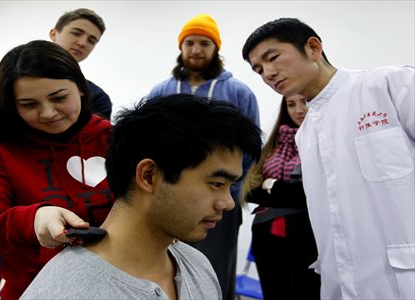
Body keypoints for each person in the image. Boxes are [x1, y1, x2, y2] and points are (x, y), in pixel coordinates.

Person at [21, 94, 262, 300]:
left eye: (230, 186)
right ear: (148, 176)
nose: (228, 203)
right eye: (216, 184)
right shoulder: (65, 291)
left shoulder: (198, 266)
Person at [242, 17, 414, 299]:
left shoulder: (387, 86)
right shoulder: (305, 134)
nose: (268, 73)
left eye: (272, 58)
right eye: (259, 69)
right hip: (339, 284)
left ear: (313, 47)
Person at [0, 8, 112, 299]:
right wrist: (32, 219)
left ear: (81, 90)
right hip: (32, 288)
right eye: (29, 104)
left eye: (59, 98)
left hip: (111, 286)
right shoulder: (1, 152)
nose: (48, 113)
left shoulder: (111, 136)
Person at [147, 13, 260, 300]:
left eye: (204, 43)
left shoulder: (237, 92)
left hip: (220, 201)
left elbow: (250, 147)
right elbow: (146, 141)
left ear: (216, 49)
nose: (196, 50)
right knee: (166, 265)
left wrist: (230, 191)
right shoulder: (161, 92)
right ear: (181, 48)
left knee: (217, 268)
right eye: (190, 43)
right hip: (169, 198)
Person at [0, 8, 111, 144]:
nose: (82, 43)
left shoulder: (99, 97)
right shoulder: (7, 80)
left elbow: (96, 144)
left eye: (91, 40)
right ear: (54, 34)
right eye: (76, 33)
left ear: (80, 91)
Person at [242, 95, 320, 299]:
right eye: (291, 104)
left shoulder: (324, 142)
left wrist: (270, 184)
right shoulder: (273, 146)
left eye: (305, 102)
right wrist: (283, 189)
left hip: (306, 236)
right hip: (265, 233)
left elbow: (309, 194)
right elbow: (249, 190)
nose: (299, 110)